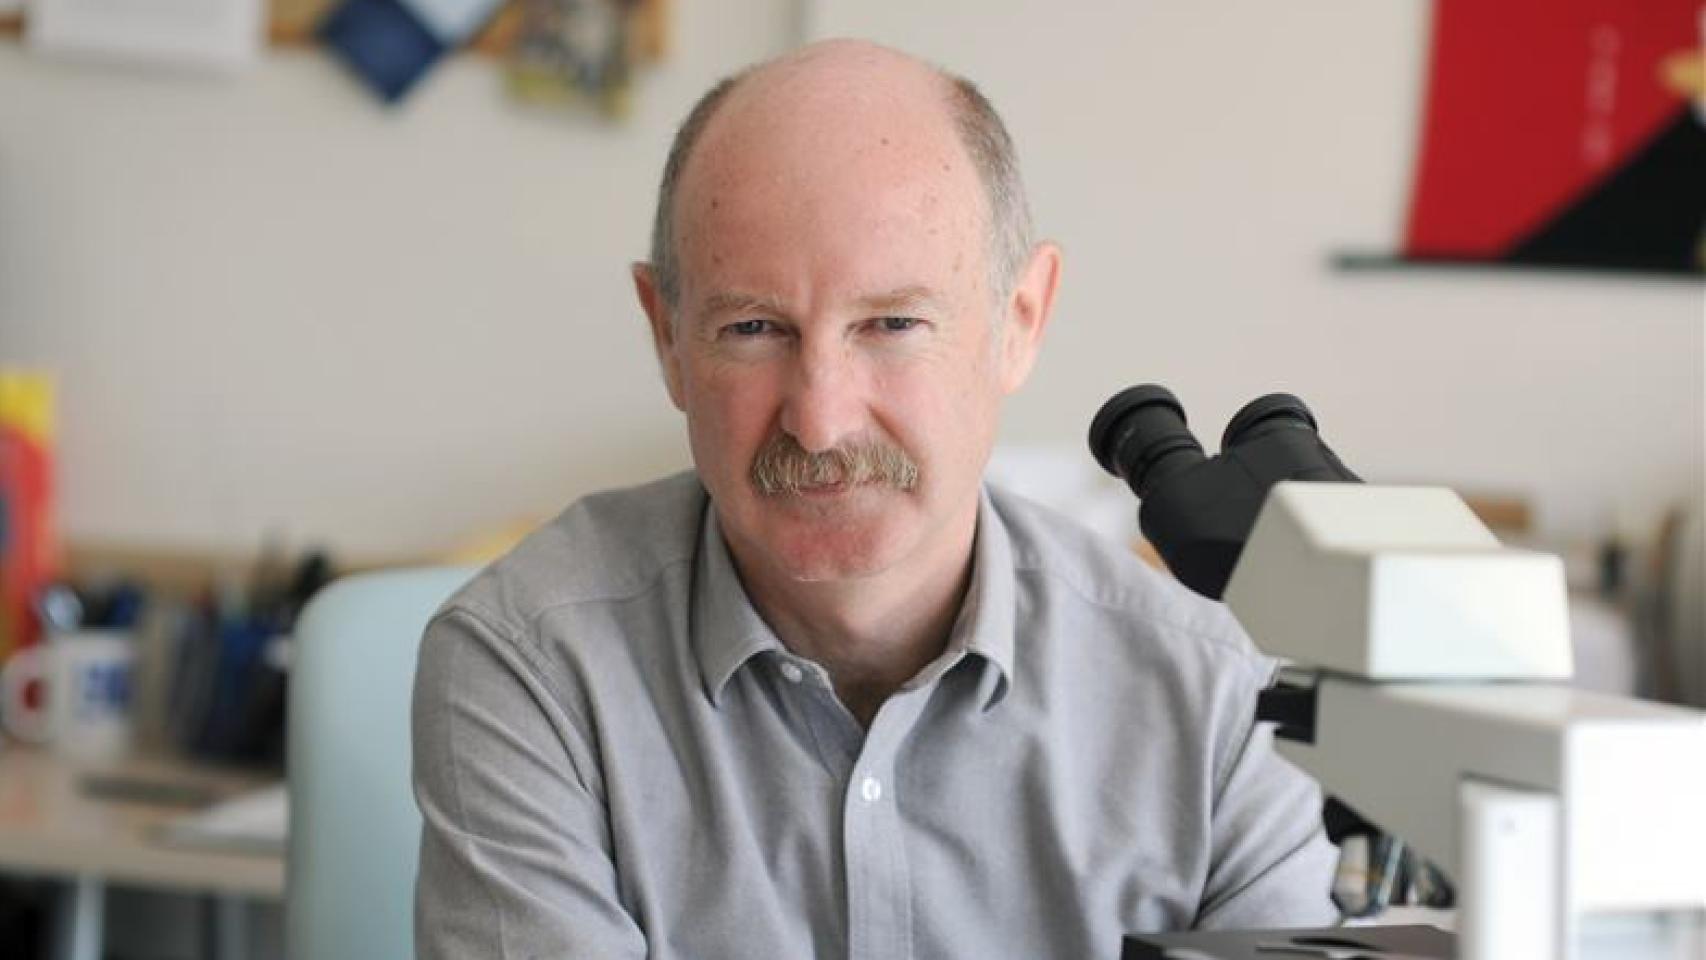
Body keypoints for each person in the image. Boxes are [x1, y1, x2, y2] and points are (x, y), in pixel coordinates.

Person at [412, 38, 1337, 960]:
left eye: (892, 323)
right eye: (753, 327)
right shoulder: (532, 664)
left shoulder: (1220, 698)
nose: (820, 421)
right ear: (666, 338)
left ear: (1019, 322)